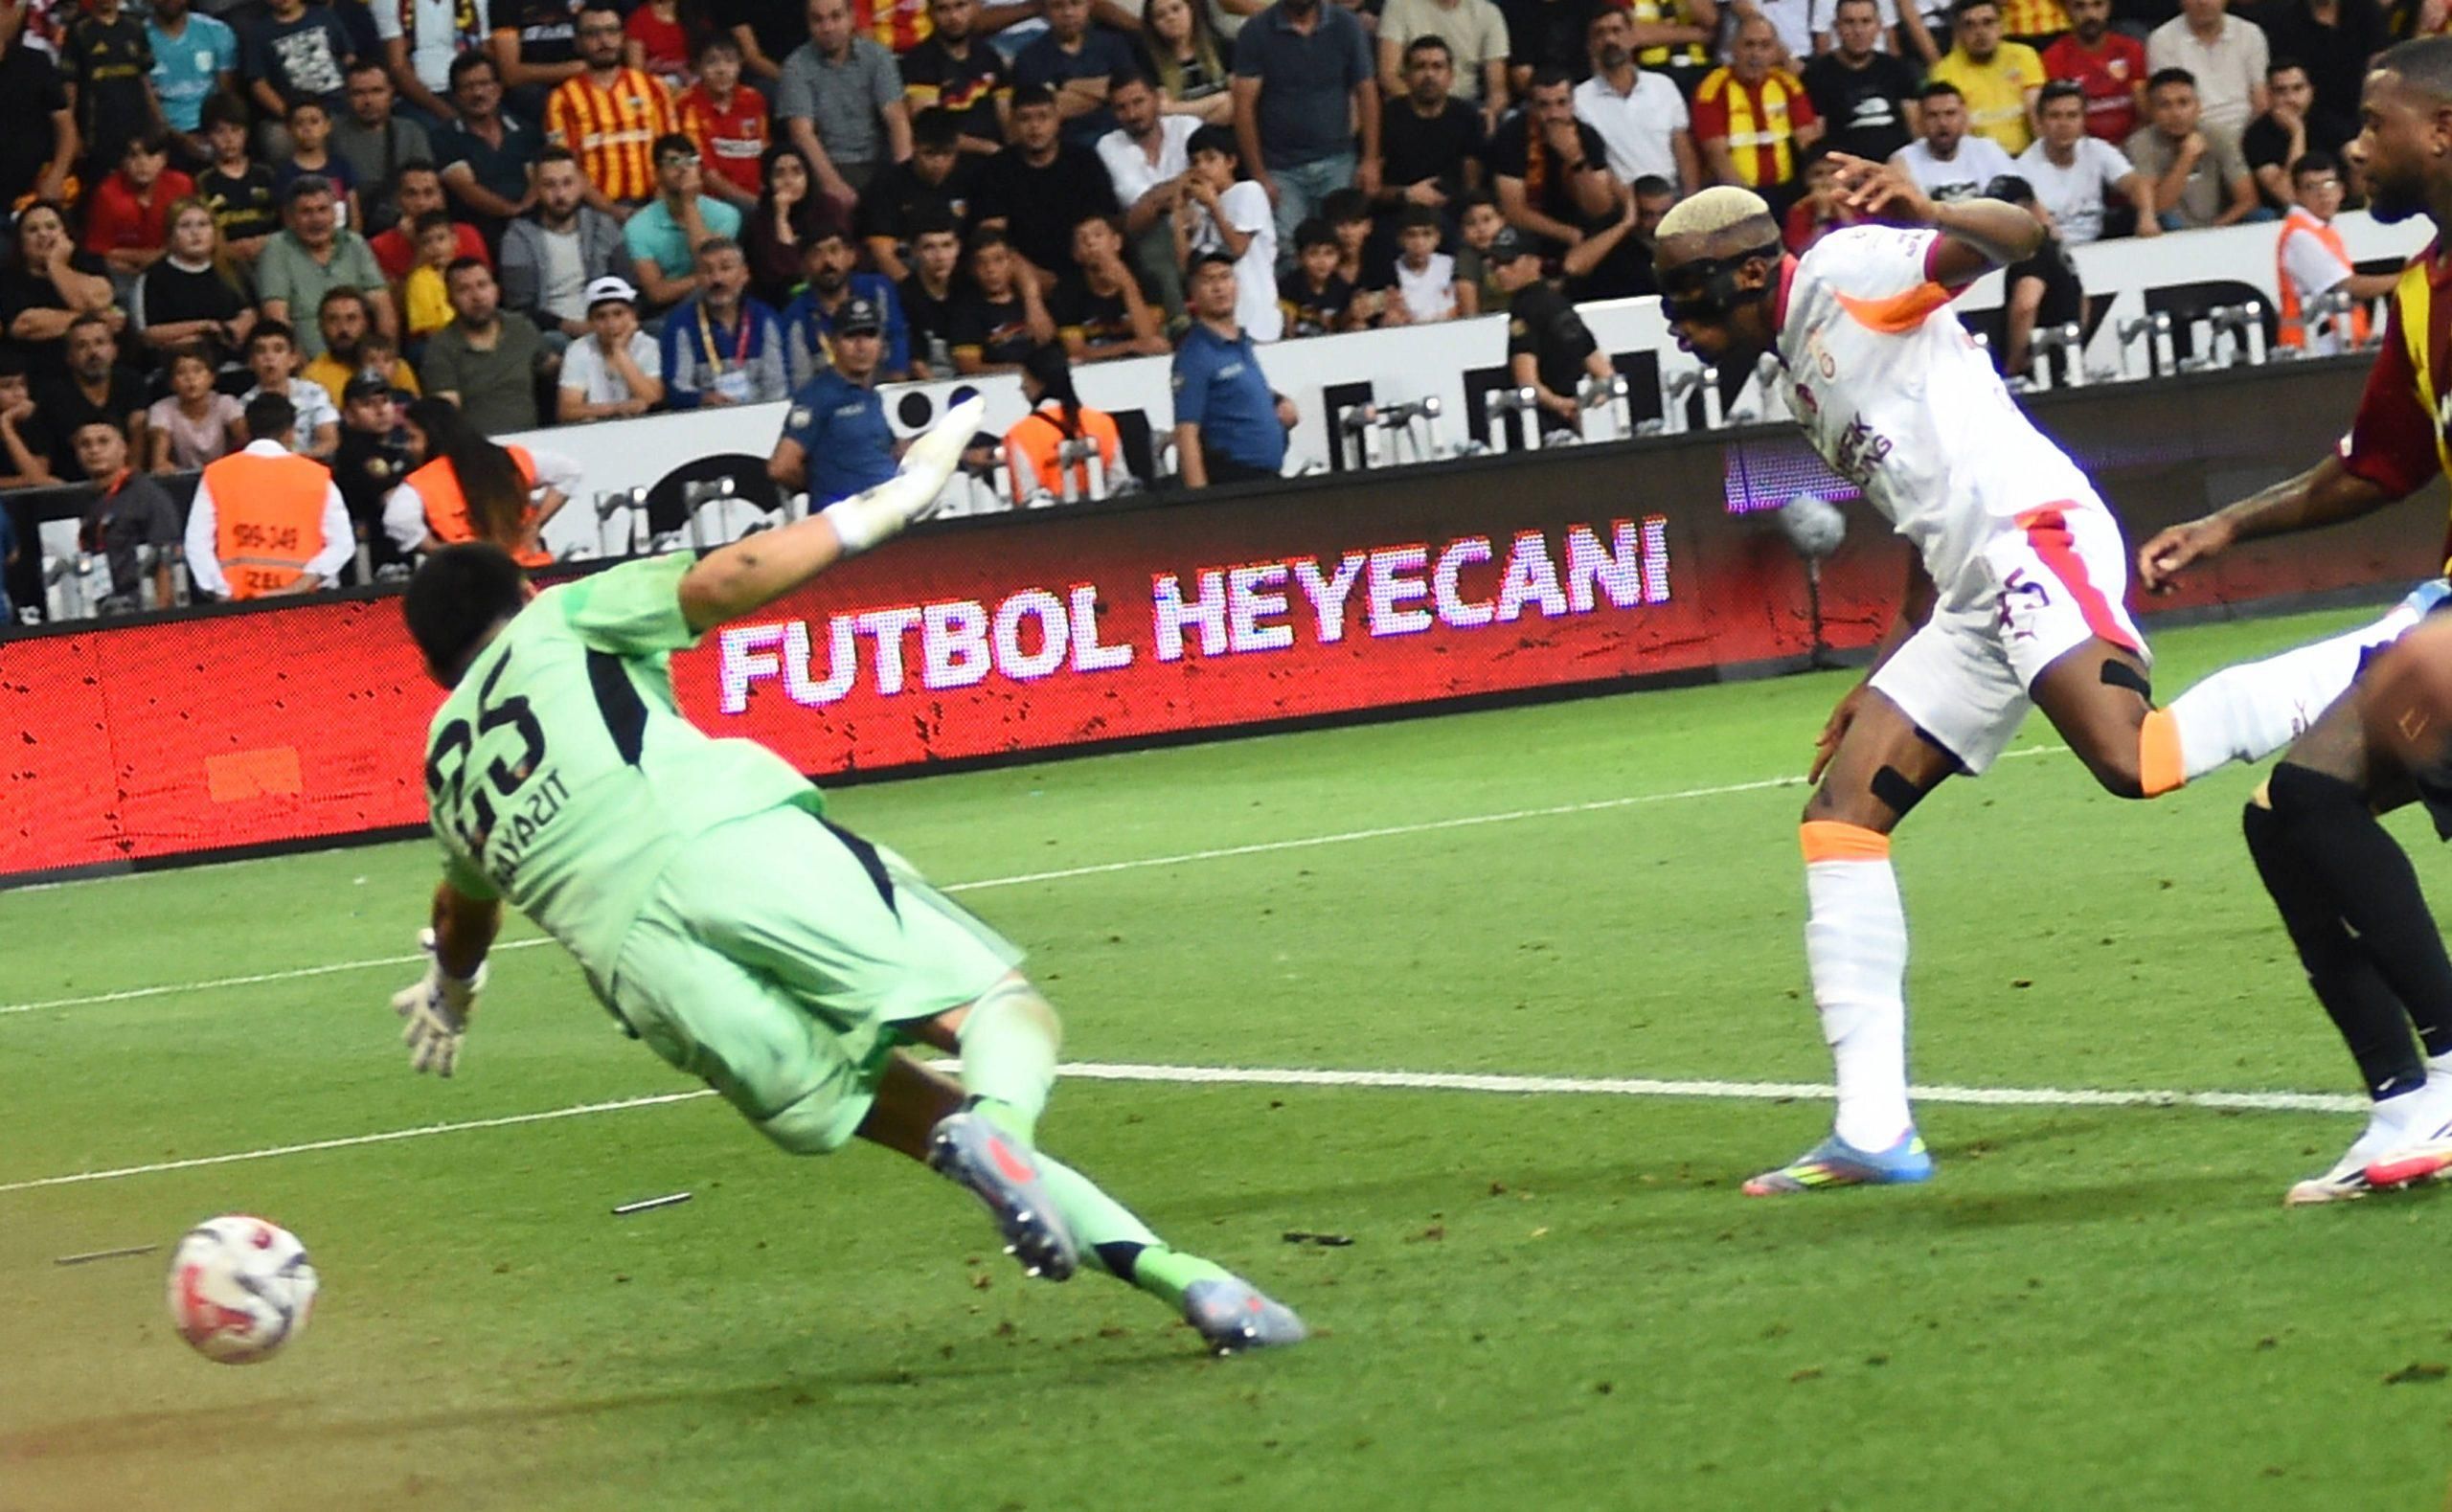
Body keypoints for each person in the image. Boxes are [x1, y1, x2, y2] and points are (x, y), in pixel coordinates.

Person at [387, 400, 1305, 1354]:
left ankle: (1195, 1284)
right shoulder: (563, 618)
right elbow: (727, 576)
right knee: (999, 1012)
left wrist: (452, 990)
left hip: (645, 977)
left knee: (929, 1123)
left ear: (432, 670)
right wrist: (896, 498)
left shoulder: (444, 763)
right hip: (719, 845)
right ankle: (1003, 1128)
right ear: (525, 589)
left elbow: (464, 911)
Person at [1651, 169, 2173, 1196]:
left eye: (1683, 297)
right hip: (1968, 586)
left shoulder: (1848, 274)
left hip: (2032, 534)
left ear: (1750, 272)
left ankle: (2367, 668)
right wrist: (1894, 655)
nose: (1674, 323)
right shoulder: (1797, 373)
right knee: (1841, 807)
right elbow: (1914, 505)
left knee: (2132, 760)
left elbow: (2017, 235)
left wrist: (1926, 211)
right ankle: (1874, 1130)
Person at [2130, 38, 2452, 1202]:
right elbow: (2378, 466)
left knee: (2314, 795)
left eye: (2373, 125)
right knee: (2290, 814)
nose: (2349, 147)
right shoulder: (2422, 289)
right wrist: (2226, 527)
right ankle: (2405, 1097)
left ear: (2442, 134)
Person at [1230, 0, 1378, 242]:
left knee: (1343, 243)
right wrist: (1259, 174)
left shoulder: (1346, 25)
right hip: (1280, 168)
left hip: (1338, 159)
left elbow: (1367, 91)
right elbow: (1243, 108)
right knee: (1288, 248)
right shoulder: (1256, 31)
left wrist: (1370, 159)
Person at [182, 389, 353, 599]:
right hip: (304, 606)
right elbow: (343, 543)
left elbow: (197, 542)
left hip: (239, 607)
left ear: (246, 428)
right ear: (290, 432)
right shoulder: (316, 476)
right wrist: (298, 586)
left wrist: (222, 592)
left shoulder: (217, 474)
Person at [381, 393, 577, 561]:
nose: (409, 447)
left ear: (432, 435)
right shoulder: (509, 458)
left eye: (412, 438)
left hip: (473, 582)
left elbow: (397, 520)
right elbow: (568, 471)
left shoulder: (422, 482)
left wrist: (438, 552)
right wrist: (535, 525)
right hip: (534, 574)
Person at [971, 84, 1123, 282]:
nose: (1035, 126)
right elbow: (991, 236)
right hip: (1023, 276)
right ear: (1013, 123)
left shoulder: (1084, 160)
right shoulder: (996, 169)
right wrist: (1031, 278)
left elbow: (1107, 221)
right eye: (1025, 118)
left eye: (1043, 117)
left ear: (1057, 120)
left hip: (1085, 269)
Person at [545, 3, 682, 218]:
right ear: (578, 43)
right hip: (595, 210)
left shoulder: (653, 87)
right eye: (592, 34)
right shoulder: (562, 99)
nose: (604, 41)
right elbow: (566, 167)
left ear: (623, 37)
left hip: (658, 203)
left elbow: (673, 151)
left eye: (611, 31)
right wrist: (611, 210)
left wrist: (658, 202)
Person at [779, 0, 913, 211]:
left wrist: (905, 177)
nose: (828, 27)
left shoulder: (878, 56)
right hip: (828, 166)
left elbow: (897, 119)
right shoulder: (796, 66)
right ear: (808, 24)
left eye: (835, 16)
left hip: (877, 162)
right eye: (818, 20)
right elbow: (802, 134)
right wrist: (832, 184)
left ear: (852, 17)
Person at [1171, 249, 1290, 486]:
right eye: (1208, 280)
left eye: (1225, 277)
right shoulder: (1194, 355)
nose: (1219, 288)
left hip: (1266, 478)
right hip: (1234, 480)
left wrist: (1277, 401)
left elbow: (1236, 391)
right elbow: (1186, 432)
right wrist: (1201, 503)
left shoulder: (1241, 342)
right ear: (1192, 293)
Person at [769, 294, 897, 504]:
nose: (861, 346)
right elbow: (780, 467)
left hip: (886, 515)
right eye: (851, 336)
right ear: (833, 342)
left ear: (881, 342)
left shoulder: (871, 394)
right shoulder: (816, 396)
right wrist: (823, 486)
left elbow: (886, 449)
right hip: (844, 524)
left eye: (870, 335)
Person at [257, 176, 397, 359]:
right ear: (289, 218)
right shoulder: (277, 247)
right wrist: (304, 372)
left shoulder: (354, 243)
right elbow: (277, 318)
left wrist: (386, 360)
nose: (316, 219)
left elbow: (382, 307)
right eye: (306, 212)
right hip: (307, 368)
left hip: (362, 364)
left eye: (323, 210)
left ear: (335, 213)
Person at [1491, 67, 1626, 255]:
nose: (1554, 113)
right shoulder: (1511, 135)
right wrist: (1568, 234)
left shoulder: (1587, 136)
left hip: (1580, 225)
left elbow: (1600, 209)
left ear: (1572, 104)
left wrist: (1576, 159)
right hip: (1530, 232)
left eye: (1561, 103)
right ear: (1531, 106)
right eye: (1544, 105)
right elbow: (1513, 211)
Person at [502, 146, 627, 344]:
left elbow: (627, 284)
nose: (560, 194)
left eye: (568, 183)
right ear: (535, 188)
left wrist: (607, 322)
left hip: (607, 321)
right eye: (549, 185)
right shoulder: (517, 236)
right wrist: (572, 327)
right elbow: (520, 308)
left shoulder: (602, 225)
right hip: (553, 331)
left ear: (581, 184)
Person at [2271, 149, 2394, 354]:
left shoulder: (2322, 230)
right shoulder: (2299, 236)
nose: (2323, 193)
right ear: (2297, 194)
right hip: (2311, 349)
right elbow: (2347, 287)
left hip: (2337, 345)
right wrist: (2406, 277)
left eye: (2329, 184)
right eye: (2311, 187)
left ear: (2341, 190)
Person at [1098, 71, 1200, 314]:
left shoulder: (1187, 127)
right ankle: (1180, 323)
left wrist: (1164, 198)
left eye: (1138, 102)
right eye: (1121, 107)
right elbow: (1142, 209)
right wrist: (1183, 185)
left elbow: (1209, 177)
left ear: (1156, 98)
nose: (1132, 114)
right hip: (1152, 235)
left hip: (1203, 221)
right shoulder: (1109, 145)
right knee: (1155, 231)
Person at [1488, 222, 1606, 432]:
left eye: (1509, 262)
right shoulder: (1560, 304)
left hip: (1540, 425)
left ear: (1534, 262)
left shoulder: (1523, 309)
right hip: (1577, 421)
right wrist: (1585, 405)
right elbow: (1603, 372)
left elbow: (1527, 382)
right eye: (1495, 264)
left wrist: (1563, 406)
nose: (1500, 271)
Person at [1692, 18, 1822, 207]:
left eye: (1765, 46)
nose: (1756, 54)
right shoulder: (1712, 89)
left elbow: (1809, 145)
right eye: (1748, 45)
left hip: (1787, 190)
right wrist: (1747, 204)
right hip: (1736, 194)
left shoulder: (1788, 85)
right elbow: (1717, 156)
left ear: (1776, 51)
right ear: (1733, 48)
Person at [1375, 36, 1487, 241]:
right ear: (1406, 75)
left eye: (1437, 67)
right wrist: (1407, 195)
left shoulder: (1467, 116)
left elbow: (1473, 183)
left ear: (1450, 75)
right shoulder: (1386, 117)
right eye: (1420, 67)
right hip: (1397, 216)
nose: (1429, 75)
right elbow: (1370, 189)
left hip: (1452, 215)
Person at [1175, 122, 1280, 340]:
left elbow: (1237, 248)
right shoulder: (1199, 210)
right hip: (1218, 326)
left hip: (1255, 319)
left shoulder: (1248, 191)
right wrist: (1178, 207)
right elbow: (1187, 265)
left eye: (1210, 159)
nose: (1202, 168)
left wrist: (1214, 205)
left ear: (1231, 161)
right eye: (1195, 162)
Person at [422, 258, 552, 433]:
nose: (476, 296)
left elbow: (554, 369)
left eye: (482, 285)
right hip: (478, 449)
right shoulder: (440, 347)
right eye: (463, 290)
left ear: (496, 290)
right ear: (450, 300)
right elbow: (446, 415)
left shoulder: (520, 327)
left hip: (533, 443)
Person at [2015, 79, 2152, 243]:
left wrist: (2147, 215)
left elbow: (2135, 183)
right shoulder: (2023, 168)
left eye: (2072, 115)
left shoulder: (2096, 149)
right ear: (2040, 121)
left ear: (2083, 119)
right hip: (2051, 251)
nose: (2064, 124)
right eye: (2054, 116)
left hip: (2099, 245)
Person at [660, 236, 787, 406]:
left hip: (763, 416)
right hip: (705, 419)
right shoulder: (680, 324)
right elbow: (677, 387)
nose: (717, 279)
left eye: (725, 268)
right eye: (707, 271)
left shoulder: (765, 319)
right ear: (697, 278)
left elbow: (778, 385)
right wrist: (702, 399)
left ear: (744, 274)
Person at [625, 133, 746, 311]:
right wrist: (706, 279)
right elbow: (657, 293)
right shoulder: (637, 226)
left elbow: (708, 262)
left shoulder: (726, 215)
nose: (683, 169)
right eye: (673, 162)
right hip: (668, 310)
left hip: (721, 299)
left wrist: (689, 204)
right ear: (657, 174)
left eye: (690, 161)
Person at [2125, 68, 2259, 229]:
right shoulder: (2140, 144)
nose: (2176, 114)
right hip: (2171, 234)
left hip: (2220, 226)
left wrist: (2214, 231)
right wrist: (2187, 157)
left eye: (2184, 103)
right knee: (2166, 221)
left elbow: (2247, 199)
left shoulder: (2220, 136)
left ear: (2198, 106)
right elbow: (2155, 208)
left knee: (2262, 216)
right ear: (2152, 110)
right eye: (2165, 105)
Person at [3, 202, 119, 386]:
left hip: (97, 370)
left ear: (66, 234)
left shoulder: (90, 262)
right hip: (37, 373)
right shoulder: (9, 278)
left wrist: (56, 265)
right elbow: (27, 324)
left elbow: (98, 299)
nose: (43, 234)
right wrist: (95, 320)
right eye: (32, 230)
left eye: (51, 226)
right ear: (21, 242)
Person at [857, 107, 976, 285]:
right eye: (929, 153)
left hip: (961, 278)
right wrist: (916, 295)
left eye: (946, 154)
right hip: (907, 273)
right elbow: (882, 254)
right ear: (914, 146)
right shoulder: (887, 184)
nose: (938, 163)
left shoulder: (970, 180)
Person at [781, 222, 911, 384]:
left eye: (834, 250)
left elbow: (896, 338)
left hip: (883, 390)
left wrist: (895, 387)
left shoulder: (878, 290)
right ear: (804, 266)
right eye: (816, 254)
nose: (827, 261)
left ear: (851, 256)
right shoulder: (795, 316)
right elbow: (800, 380)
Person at [74, 418, 180, 610]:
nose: (94, 450)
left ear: (123, 448)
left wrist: (160, 618)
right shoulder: (87, 501)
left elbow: (167, 555)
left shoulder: (147, 494)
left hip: (140, 608)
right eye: (85, 444)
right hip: (101, 607)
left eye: (103, 441)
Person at [1987, 169, 2085, 374]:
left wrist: (2014, 362)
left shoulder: (2029, 249)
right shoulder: (2057, 248)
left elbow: (2026, 304)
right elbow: (2084, 301)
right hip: (2065, 362)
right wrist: (2074, 344)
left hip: (2038, 367)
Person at [1002, 339, 1123, 504]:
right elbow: (1120, 484)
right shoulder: (1103, 422)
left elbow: (1025, 497)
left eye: (1025, 380)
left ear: (1039, 383)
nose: (1022, 387)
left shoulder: (1019, 434)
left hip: (1051, 524)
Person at [437, 53, 543, 235]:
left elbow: (539, 179)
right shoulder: (444, 137)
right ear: (455, 95)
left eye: (484, 84)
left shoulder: (526, 131)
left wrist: (524, 214)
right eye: (468, 87)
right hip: (478, 229)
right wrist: (514, 212)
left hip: (532, 225)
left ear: (499, 88)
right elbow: (466, 189)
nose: (478, 93)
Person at [1805, 0, 1922, 166]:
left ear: (1879, 26)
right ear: (1836, 27)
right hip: (1846, 170)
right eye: (1849, 22)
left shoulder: (1897, 69)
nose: (1858, 31)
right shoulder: (1817, 74)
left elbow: (1916, 128)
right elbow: (1817, 138)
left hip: (1897, 168)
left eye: (1866, 22)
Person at [60, 0, 161, 190]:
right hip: (97, 131)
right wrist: (72, 133)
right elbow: (69, 84)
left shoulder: (135, 26)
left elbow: (144, 77)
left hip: (135, 125)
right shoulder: (79, 30)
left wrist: (158, 119)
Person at [1014, 0, 1141, 149]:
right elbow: (1046, 112)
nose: (1068, 13)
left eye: (1076, 4)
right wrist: (1107, 92)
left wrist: (1068, 86)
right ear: (1045, 10)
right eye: (1058, 6)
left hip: (1122, 140)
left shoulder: (1114, 44)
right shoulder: (1029, 57)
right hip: (1065, 148)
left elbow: (1128, 93)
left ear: (1089, 5)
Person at [2259, 0, 2385, 147]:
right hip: (2313, 117)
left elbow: (2379, 64)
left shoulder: (2365, 10)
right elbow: (2286, 77)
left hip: (2362, 107)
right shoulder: (2285, 20)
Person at [1927, 0, 2045, 155]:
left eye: (1988, 22)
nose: (1980, 32)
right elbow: (1959, 132)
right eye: (1969, 25)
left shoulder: (2024, 56)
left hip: (2026, 155)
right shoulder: (1944, 72)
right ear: (1959, 31)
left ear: (2001, 25)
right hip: (1979, 160)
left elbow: (2035, 111)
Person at [39, 314, 149, 479]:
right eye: (82, 346)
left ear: (114, 350)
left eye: (100, 343)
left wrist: (128, 481)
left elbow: (138, 432)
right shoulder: (53, 395)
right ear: (69, 356)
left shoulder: (131, 382)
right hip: (72, 490)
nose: (93, 352)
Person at [2145, 0, 2267, 147]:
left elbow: (2260, 98)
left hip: (2249, 134)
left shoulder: (2250, 33)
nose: (2202, 2)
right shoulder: (2162, 39)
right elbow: (2170, 105)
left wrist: (2248, 141)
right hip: (2192, 138)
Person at [335, 61, 436, 237]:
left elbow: (426, 187)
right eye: (359, 93)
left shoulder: (411, 131)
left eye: (377, 91)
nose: (368, 101)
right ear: (347, 96)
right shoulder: (331, 134)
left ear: (391, 92)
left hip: (404, 227)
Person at [900, 0, 1012, 154]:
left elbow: (1006, 117)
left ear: (975, 7)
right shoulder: (920, 61)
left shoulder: (989, 56)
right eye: (942, 9)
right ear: (930, 14)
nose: (953, 16)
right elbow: (929, 129)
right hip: (947, 160)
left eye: (961, 6)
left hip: (995, 159)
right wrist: (988, 148)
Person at [1055, 211, 1168, 361]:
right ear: (1076, 254)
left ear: (1116, 242)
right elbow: (1076, 353)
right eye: (1082, 239)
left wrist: (1128, 286)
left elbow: (1150, 339)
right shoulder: (1067, 292)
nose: (1091, 243)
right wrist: (1130, 346)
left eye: (1097, 235)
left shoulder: (1146, 281)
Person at [676, 33, 769, 212]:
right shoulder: (687, 105)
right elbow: (709, 176)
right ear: (697, 68)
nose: (722, 70)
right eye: (712, 62)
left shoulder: (754, 99)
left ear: (740, 65)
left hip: (756, 197)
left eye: (730, 61)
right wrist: (759, 205)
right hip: (714, 203)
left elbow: (764, 151)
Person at [83, 133, 197, 280]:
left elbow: (194, 235)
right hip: (125, 271)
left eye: (151, 155)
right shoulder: (107, 194)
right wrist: (150, 257)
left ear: (164, 159)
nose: (142, 163)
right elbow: (100, 251)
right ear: (123, 161)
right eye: (133, 156)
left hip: (177, 263)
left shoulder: (182, 185)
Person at [331, 371, 411, 579]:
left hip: (401, 551)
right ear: (349, 414)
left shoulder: (401, 448)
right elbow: (391, 499)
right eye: (368, 404)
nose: (380, 410)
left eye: (384, 401)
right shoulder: (353, 454)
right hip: (369, 558)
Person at [556, 273, 664, 419]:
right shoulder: (578, 349)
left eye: (618, 314)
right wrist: (617, 408)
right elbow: (567, 411)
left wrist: (620, 352)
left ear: (633, 315)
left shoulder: (648, 346)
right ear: (590, 322)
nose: (611, 324)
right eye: (601, 317)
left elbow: (653, 402)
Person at [370, 163, 496, 287]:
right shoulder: (380, 246)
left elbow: (483, 290)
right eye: (411, 194)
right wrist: (419, 249)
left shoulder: (467, 234)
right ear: (398, 200)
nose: (421, 203)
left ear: (442, 199)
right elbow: (392, 303)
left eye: (429, 193)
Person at [1377, 0, 1509, 119]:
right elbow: (1388, 76)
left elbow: (1497, 88)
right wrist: (1429, 107)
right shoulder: (1399, 5)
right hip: (1412, 105)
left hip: (1467, 108)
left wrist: (1490, 113)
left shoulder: (1488, 13)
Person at [2243, 58, 2343, 214]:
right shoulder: (2256, 135)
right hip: (2282, 216)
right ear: (2269, 96)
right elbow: (2288, 195)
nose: (2291, 99)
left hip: (2337, 206)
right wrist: (2298, 132)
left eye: (2298, 89)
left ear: (2311, 91)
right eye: (2281, 91)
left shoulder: (2328, 123)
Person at [2040, 0, 2146, 147]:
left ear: (2109, 7)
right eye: (2079, 6)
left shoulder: (2131, 48)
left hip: (2133, 143)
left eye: (2097, 5)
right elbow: (2063, 116)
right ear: (2066, 10)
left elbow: (2144, 111)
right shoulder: (2054, 56)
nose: (2090, 14)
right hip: (2082, 147)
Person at [950, 224, 1055, 372]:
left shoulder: (1032, 302)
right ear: (972, 269)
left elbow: (1049, 341)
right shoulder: (967, 311)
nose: (991, 270)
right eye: (982, 263)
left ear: (1012, 262)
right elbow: (968, 366)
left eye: (998, 260)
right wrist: (1019, 371)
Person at [148, 0, 239, 169]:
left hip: (212, 130)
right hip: (164, 134)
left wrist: (216, 136)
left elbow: (225, 96)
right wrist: (180, 138)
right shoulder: (139, 37)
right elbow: (145, 99)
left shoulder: (217, 31)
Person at [1890, 80, 2015, 201]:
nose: (1942, 123)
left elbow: (2020, 200)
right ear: (1920, 120)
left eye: (1950, 113)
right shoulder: (1903, 160)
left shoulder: (1988, 150)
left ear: (1964, 116)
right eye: (1932, 115)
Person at [744, 143, 833, 305]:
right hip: (778, 300)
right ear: (767, 181)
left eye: (797, 172)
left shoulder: (828, 208)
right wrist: (781, 217)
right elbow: (784, 272)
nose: (789, 181)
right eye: (779, 174)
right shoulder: (760, 220)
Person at [243, 0, 356, 129]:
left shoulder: (324, 15)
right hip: (295, 115)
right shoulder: (258, 33)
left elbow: (349, 57)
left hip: (340, 106)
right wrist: (289, 116)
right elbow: (259, 84)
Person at [238, 319, 344, 456]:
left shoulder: (314, 393)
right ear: (250, 361)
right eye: (260, 350)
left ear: (293, 359)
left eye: (278, 349)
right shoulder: (243, 405)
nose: (269, 357)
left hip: (309, 468)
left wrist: (293, 463)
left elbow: (329, 441)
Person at [369, 0, 475, 134]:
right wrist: (449, 114)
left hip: (464, 90)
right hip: (416, 98)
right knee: (442, 134)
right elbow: (398, 69)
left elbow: (481, 51)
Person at [304, 284, 424, 402]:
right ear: (321, 326)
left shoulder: (395, 366)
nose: (343, 328)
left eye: (352, 318)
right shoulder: (313, 377)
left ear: (367, 322)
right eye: (333, 320)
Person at [197, 93, 282, 262]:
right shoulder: (203, 181)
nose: (229, 139)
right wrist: (227, 249)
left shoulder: (266, 174)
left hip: (271, 257)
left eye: (235, 131)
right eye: (220, 132)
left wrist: (266, 243)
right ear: (207, 137)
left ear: (246, 133)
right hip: (225, 261)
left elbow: (284, 223)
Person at [147, 341, 245, 470]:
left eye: (197, 370)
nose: (190, 378)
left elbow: (244, 440)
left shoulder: (226, 403)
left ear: (212, 377)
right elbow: (159, 462)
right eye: (181, 372)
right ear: (171, 382)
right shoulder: (161, 409)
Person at [275, 99, 364, 231]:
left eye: (314, 122)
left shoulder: (341, 166)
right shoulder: (284, 172)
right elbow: (288, 221)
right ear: (289, 129)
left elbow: (354, 215)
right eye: (299, 123)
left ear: (327, 126)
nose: (307, 129)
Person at [1141, 0, 1232, 125]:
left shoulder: (1223, 47)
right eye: (1160, 15)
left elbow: (1238, 99)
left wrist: (1177, 108)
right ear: (1153, 25)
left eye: (1176, 9)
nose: (1170, 18)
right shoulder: (1148, 61)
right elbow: (1163, 109)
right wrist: (1218, 100)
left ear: (1191, 10)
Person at [898, 211, 963, 375]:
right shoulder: (902, 297)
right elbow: (913, 362)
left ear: (958, 247)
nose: (940, 257)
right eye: (929, 247)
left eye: (947, 245)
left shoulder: (970, 291)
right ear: (914, 251)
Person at [1278, 215, 1355, 332]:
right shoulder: (1288, 288)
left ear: (1339, 256)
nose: (1322, 261)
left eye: (1329, 253)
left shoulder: (1342, 288)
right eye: (1313, 254)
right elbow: (1288, 332)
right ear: (1299, 258)